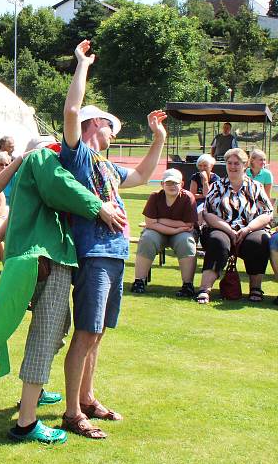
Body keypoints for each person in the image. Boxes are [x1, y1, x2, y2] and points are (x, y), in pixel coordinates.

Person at [0, 137, 124, 444]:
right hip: (46, 257)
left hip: (42, 256)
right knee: (47, 332)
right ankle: (26, 422)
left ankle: (34, 393)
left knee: (57, 328)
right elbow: (61, 187)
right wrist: (99, 208)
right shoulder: (41, 159)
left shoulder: (29, 166)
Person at [59, 40, 166, 439]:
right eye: (106, 124)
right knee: (87, 331)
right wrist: (82, 65)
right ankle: (72, 412)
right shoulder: (78, 156)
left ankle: (86, 397)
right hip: (94, 254)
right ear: (92, 126)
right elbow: (71, 110)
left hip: (115, 253)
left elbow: (140, 177)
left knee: (98, 332)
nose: (110, 129)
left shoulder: (106, 165)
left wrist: (158, 139)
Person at [196, 148, 273, 304]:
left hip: (250, 229)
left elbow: (267, 213)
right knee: (218, 241)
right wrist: (229, 230)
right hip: (221, 228)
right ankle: (205, 288)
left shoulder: (256, 186)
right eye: (229, 163)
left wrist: (247, 229)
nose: (232, 166)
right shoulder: (217, 186)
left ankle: (255, 288)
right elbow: (208, 213)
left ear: (245, 165)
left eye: (236, 163)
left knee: (258, 241)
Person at [130, 169, 198, 297]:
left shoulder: (188, 197)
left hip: (181, 233)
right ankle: (139, 281)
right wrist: (177, 228)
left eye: (175, 183)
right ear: (162, 184)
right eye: (168, 183)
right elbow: (150, 224)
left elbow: (189, 225)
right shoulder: (155, 196)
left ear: (182, 184)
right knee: (147, 238)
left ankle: (187, 285)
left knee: (186, 241)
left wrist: (160, 221)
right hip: (160, 231)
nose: (172, 186)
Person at [189, 153, 219, 221]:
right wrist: (203, 196)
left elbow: (209, 196)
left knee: (204, 209)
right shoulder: (195, 177)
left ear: (211, 166)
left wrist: (205, 181)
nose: (202, 168)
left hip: (211, 202)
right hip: (197, 202)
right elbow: (192, 195)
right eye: (200, 166)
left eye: (205, 166)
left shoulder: (216, 178)